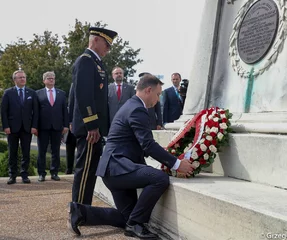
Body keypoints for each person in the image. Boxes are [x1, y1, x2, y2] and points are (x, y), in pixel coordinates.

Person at [67, 74, 195, 239]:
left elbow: (142, 144)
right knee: (159, 179)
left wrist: (167, 155)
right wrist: (176, 164)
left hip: (113, 170)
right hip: (117, 168)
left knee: (126, 217)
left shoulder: (131, 105)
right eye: (157, 94)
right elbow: (148, 145)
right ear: (148, 90)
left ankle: (80, 212)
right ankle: (136, 225)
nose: (157, 99)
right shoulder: (137, 108)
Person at [71, 27, 118, 205]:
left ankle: (85, 208)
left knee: (90, 170)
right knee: (85, 170)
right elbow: (83, 96)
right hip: (90, 128)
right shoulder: (86, 61)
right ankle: (79, 209)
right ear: (96, 40)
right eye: (107, 43)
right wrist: (92, 125)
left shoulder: (96, 62)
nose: (108, 48)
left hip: (95, 127)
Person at [1, 70, 39, 184]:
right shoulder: (8, 93)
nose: (23, 79)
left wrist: (34, 126)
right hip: (12, 128)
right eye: (20, 77)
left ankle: (24, 174)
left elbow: (36, 112)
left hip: (27, 128)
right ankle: (12, 175)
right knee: (12, 152)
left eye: (24, 77)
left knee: (26, 152)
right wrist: (6, 126)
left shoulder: (31, 93)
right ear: (15, 80)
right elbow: (3, 111)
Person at [36, 71, 69, 181]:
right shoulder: (38, 94)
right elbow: (35, 112)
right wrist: (35, 126)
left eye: (53, 78)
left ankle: (54, 172)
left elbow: (65, 110)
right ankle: (41, 173)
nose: (51, 80)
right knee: (42, 151)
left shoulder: (61, 93)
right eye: (49, 78)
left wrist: (65, 125)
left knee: (56, 150)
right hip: (42, 127)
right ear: (44, 80)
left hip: (57, 126)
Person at [64, 83, 77, 174]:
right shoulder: (74, 85)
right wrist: (70, 122)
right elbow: (71, 103)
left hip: (87, 122)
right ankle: (69, 168)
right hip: (74, 120)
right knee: (70, 146)